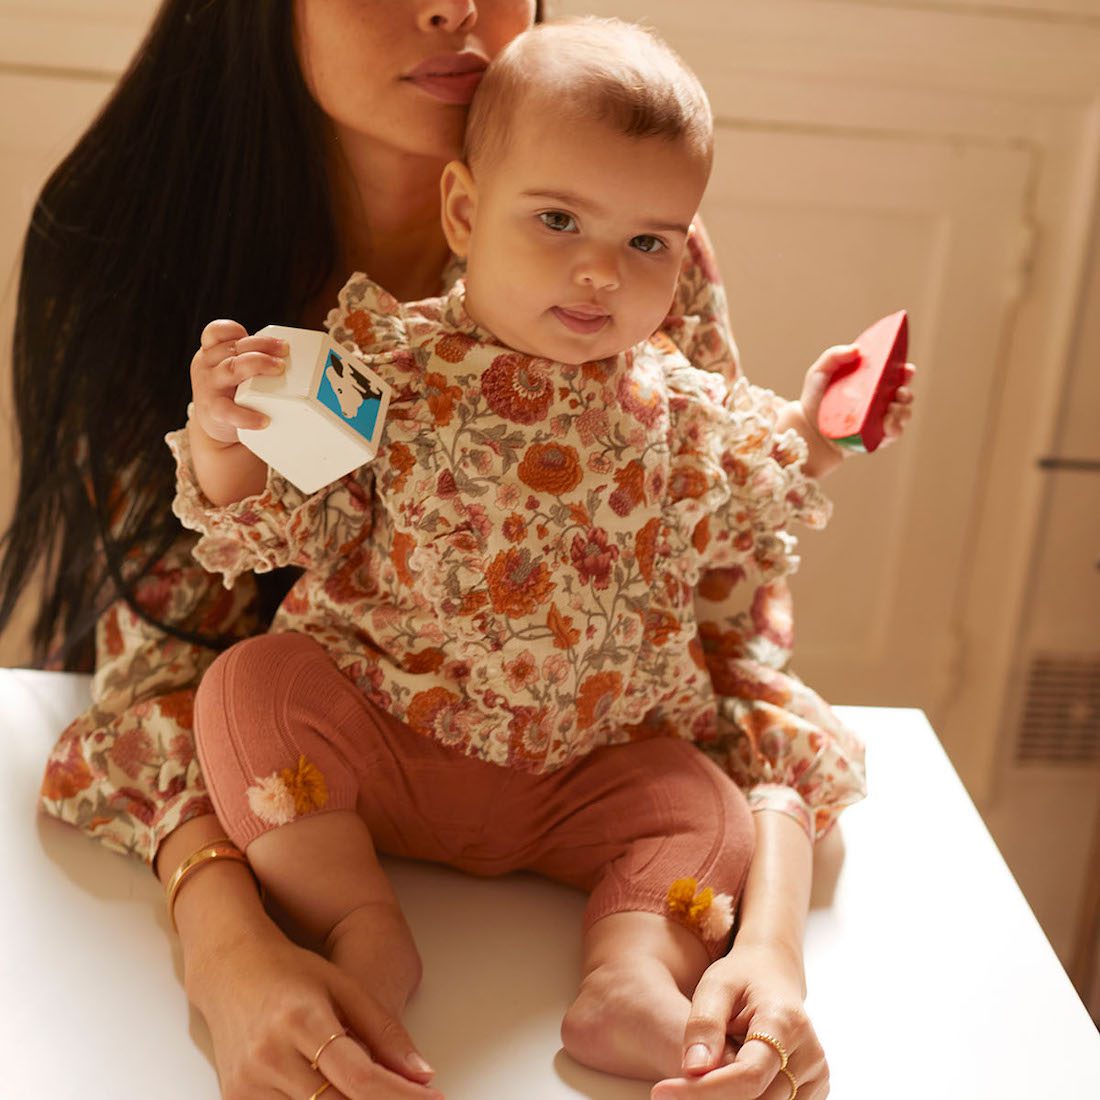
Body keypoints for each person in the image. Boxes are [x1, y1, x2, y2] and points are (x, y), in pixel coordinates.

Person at [0, 2, 912, 1099]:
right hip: (372, 738)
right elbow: (197, 598)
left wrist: (768, 938)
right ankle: (357, 920)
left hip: (587, 762)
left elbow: (729, 594)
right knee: (251, 689)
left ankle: (627, 975)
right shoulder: (299, 319)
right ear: (464, 210)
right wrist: (226, 944)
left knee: (695, 804)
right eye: (557, 224)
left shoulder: (642, 248)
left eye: (643, 245)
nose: (447, 6)